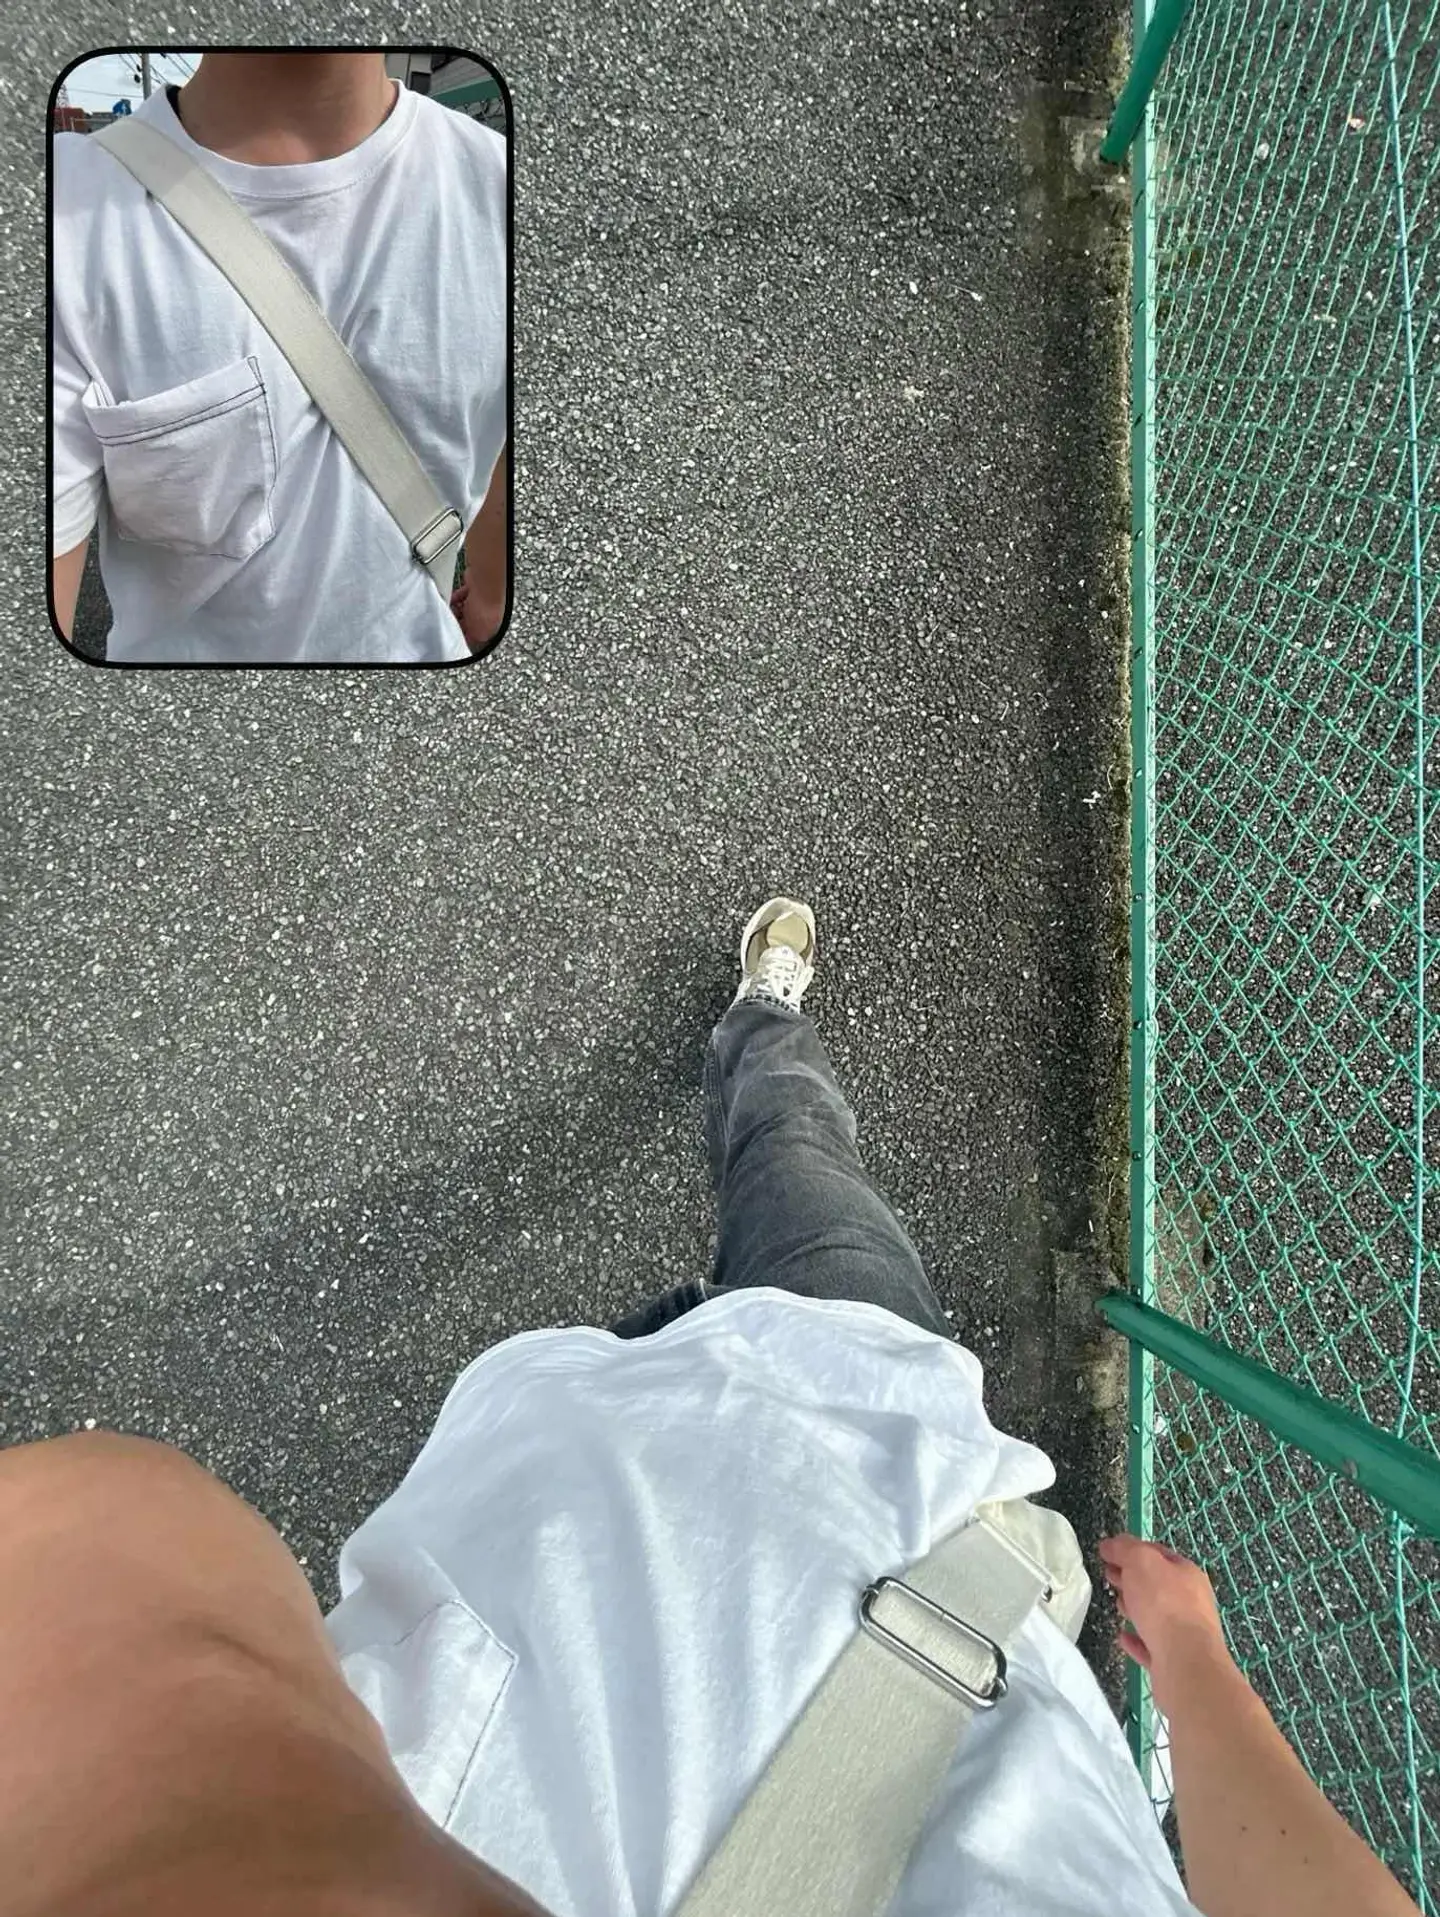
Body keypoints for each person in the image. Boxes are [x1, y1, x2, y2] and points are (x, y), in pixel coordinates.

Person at [1, 899, 1422, 1917]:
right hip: (876, 1454)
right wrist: (1197, 1663)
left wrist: (1193, 1658)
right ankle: (758, 1025)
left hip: (701, 1467)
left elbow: (97, 1565)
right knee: (798, 1154)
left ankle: (744, 1100)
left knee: (783, 1182)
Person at [49, 52, 508, 665]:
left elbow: (498, 430)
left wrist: (492, 596)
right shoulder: (62, 213)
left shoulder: (498, 183)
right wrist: (490, 597)